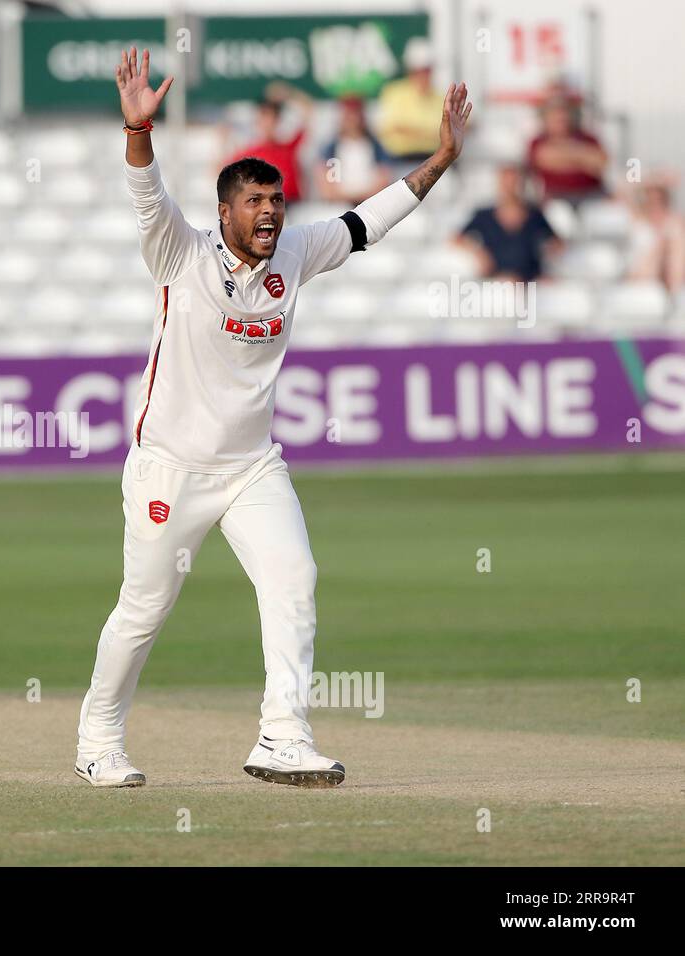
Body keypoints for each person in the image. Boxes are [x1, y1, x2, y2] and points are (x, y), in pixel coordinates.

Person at [75, 48, 470, 788]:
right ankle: (97, 736)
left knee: (293, 576)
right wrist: (137, 131)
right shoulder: (179, 252)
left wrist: (442, 157)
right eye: (254, 203)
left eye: (276, 201)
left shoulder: (297, 251)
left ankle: (282, 737)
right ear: (224, 211)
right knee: (145, 608)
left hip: (252, 465)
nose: (269, 213)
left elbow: (367, 220)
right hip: (170, 463)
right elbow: (145, 190)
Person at [457, 165, 561, 282]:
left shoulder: (535, 215)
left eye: (514, 183)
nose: (510, 188)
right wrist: (478, 253)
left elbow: (557, 243)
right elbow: (456, 239)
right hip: (496, 279)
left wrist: (547, 251)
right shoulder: (484, 216)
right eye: (506, 183)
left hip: (530, 280)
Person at [221, 82, 313, 203]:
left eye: (272, 117)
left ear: (278, 120)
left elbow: (309, 112)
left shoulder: (288, 147)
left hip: (291, 205)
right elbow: (223, 172)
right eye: (264, 116)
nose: (268, 122)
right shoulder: (248, 153)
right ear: (258, 120)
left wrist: (288, 93)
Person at [527, 96, 607, 203]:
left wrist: (564, 154)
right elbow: (545, 159)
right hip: (556, 197)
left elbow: (601, 163)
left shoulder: (588, 138)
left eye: (563, 116)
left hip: (592, 194)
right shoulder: (537, 141)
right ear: (546, 119)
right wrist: (582, 158)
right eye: (555, 117)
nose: (560, 120)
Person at [316, 95, 392, 205]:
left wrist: (363, 197)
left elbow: (384, 179)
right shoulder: (331, 149)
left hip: (369, 205)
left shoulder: (376, 147)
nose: (352, 119)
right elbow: (326, 187)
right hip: (339, 207)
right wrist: (345, 197)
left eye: (355, 113)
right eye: (348, 114)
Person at [376, 37, 444, 162]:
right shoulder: (394, 93)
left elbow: (465, 123)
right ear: (411, 71)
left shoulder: (440, 96)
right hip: (401, 161)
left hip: (435, 161)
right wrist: (435, 134)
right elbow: (391, 128)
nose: (424, 75)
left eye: (427, 70)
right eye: (420, 71)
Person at [626, 173, 685, 292]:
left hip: (671, 272)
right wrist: (654, 178)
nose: (655, 202)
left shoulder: (675, 220)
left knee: (675, 245)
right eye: (650, 198)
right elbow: (623, 190)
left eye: (659, 199)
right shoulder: (637, 218)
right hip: (643, 274)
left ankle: (674, 291)